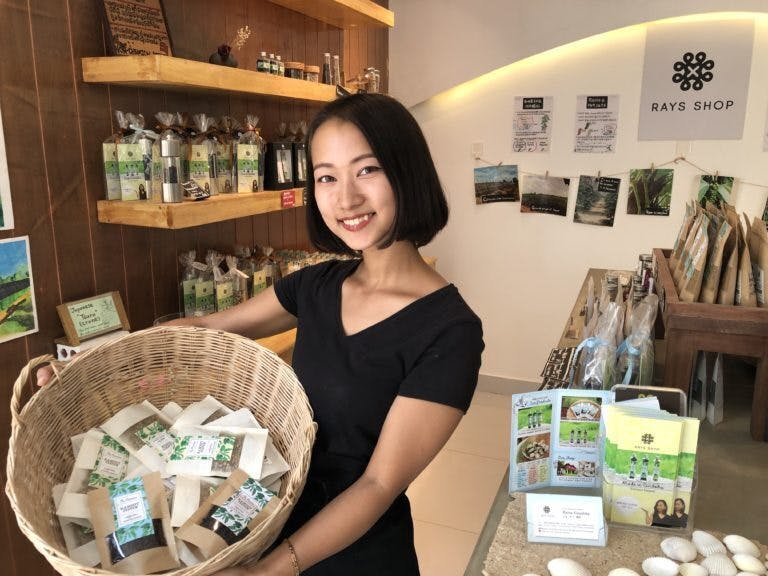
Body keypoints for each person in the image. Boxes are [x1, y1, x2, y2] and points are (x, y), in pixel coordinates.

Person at [39, 94, 483, 575]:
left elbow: (378, 484)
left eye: (367, 170)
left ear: (407, 171)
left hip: (353, 555)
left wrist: (267, 571)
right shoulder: (316, 286)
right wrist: (93, 364)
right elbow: (204, 329)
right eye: (326, 177)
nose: (346, 199)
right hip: (263, 524)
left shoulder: (449, 331)